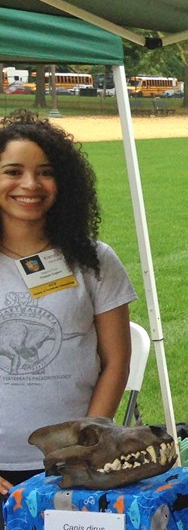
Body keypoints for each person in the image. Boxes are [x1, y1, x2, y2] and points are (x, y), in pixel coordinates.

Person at [0, 110, 136, 495]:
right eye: (13, 171)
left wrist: (86, 446)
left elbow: (115, 362)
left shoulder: (95, 260)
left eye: (46, 172)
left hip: (73, 466)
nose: (30, 184)